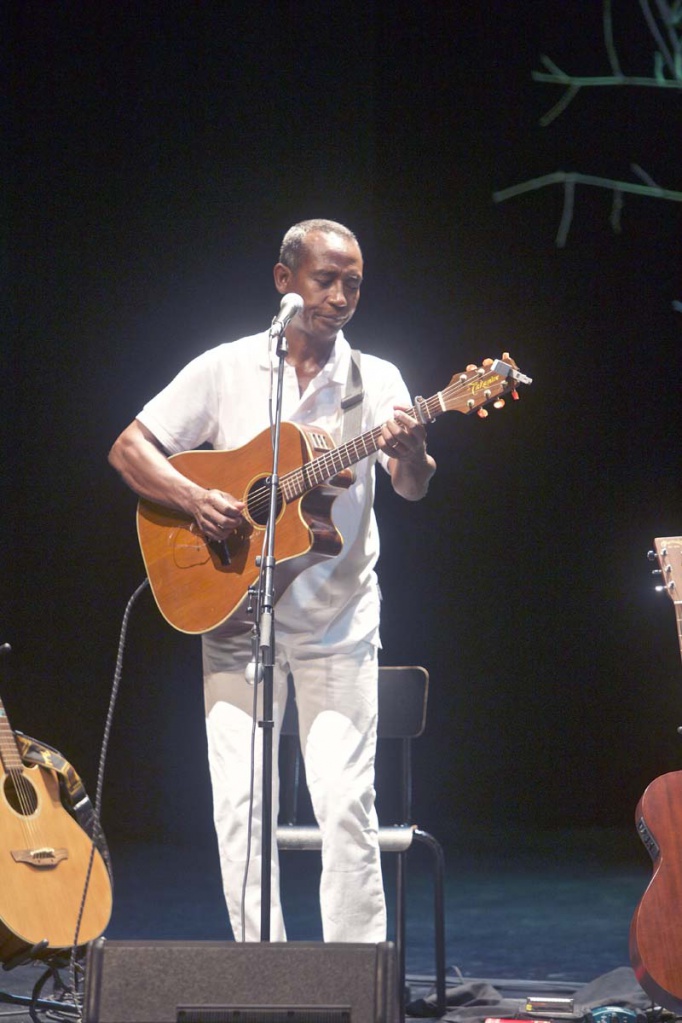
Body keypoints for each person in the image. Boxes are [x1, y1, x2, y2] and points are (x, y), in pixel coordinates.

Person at [108, 218, 436, 943]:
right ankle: (263, 971)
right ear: (285, 280)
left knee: (345, 804)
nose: (341, 297)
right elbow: (130, 448)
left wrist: (414, 452)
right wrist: (196, 498)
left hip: (337, 622)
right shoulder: (227, 368)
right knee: (242, 809)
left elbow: (410, 485)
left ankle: (354, 976)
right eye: (327, 279)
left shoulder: (376, 380)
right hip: (235, 615)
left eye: (354, 283)